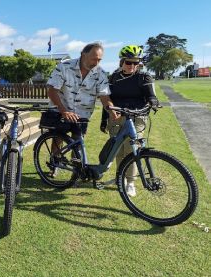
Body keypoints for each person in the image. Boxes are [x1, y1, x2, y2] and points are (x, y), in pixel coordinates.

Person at [46, 42, 118, 177]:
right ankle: (54, 165)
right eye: (93, 58)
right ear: (83, 54)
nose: (96, 62)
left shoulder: (100, 73)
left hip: (82, 114)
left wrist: (111, 110)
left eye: (99, 59)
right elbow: (52, 90)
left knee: (78, 141)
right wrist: (63, 111)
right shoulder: (64, 67)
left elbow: (104, 96)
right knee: (57, 139)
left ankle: (76, 171)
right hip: (60, 110)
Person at [100, 45, 159, 196]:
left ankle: (131, 182)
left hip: (136, 116)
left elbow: (151, 95)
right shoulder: (114, 77)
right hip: (117, 116)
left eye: (136, 62)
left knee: (132, 150)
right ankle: (121, 178)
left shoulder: (144, 77)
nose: (132, 66)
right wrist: (104, 118)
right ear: (122, 61)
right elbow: (108, 99)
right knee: (117, 150)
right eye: (129, 62)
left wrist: (153, 102)